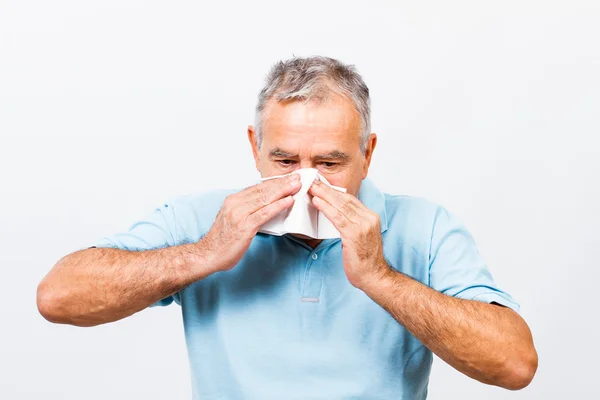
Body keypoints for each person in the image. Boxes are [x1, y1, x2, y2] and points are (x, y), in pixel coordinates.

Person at [37, 56, 538, 399]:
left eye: (329, 163)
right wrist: (206, 252)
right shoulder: (203, 217)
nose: (304, 183)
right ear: (255, 147)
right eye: (284, 160)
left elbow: (514, 364)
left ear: (367, 154)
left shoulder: (424, 226)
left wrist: (380, 277)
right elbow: (58, 297)